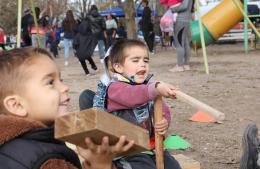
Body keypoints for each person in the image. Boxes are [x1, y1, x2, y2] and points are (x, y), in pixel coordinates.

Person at [0, 47, 134, 169]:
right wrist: (101, 164)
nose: (65, 87)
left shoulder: (17, 144)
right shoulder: (46, 161)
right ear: (16, 105)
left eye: (61, 80)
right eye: (50, 82)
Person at [91, 39, 181, 169]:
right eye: (135, 60)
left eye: (145, 60)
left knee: (173, 166)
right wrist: (155, 88)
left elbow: (163, 109)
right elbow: (132, 96)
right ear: (118, 67)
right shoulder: (115, 88)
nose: (143, 64)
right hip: (127, 150)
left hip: (152, 146)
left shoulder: (148, 87)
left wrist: (163, 121)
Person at [169, 0, 194, 72]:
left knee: (179, 43)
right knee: (186, 43)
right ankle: (186, 65)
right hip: (187, 20)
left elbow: (184, 6)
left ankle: (179, 66)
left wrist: (173, 9)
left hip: (181, 20)